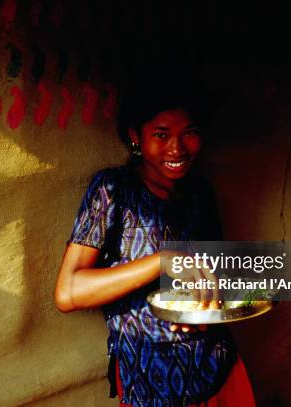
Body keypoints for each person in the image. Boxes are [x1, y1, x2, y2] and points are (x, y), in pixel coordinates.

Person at [54, 75, 256, 406]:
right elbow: (68, 292)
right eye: (161, 135)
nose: (177, 149)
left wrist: (205, 313)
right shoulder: (113, 190)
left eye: (189, 132)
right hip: (150, 381)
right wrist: (163, 261)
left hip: (218, 372)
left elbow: (217, 275)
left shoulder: (199, 195)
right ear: (135, 135)